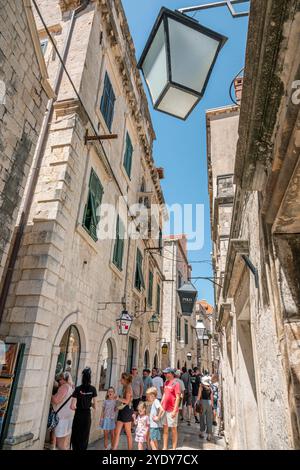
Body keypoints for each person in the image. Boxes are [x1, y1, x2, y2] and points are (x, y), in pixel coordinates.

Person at [70, 367, 97, 450]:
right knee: (84, 437)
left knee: (76, 435)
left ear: (82, 377)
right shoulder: (93, 389)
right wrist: (89, 403)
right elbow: (95, 406)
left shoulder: (77, 389)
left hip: (78, 415)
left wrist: (79, 407)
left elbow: (72, 406)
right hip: (86, 415)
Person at [157, 367, 181, 450]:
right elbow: (164, 394)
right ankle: (164, 447)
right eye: (164, 373)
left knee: (174, 430)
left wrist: (175, 410)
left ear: (171, 374)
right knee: (165, 429)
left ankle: (174, 448)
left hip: (172, 410)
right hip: (165, 409)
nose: (165, 374)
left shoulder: (176, 384)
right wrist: (161, 406)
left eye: (166, 373)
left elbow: (178, 397)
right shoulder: (166, 382)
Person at [51, 371, 74, 450]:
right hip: (68, 417)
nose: (59, 381)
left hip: (62, 418)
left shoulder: (64, 387)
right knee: (64, 442)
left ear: (64, 379)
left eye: (60, 379)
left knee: (60, 444)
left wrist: (50, 394)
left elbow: (56, 400)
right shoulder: (71, 388)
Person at [112, 372, 134, 450]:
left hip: (127, 411)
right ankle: (114, 448)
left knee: (128, 433)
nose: (120, 380)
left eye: (121, 378)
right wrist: (118, 406)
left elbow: (127, 401)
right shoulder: (125, 387)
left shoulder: (128, 387)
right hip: (123, 410)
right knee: (116, 432)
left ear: (125, 379)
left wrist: (118, 398)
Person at [197, 377, 214, 441]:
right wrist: (212, 405)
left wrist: (197, 402)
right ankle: (209, 435)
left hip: (203, 402)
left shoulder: (201, 387)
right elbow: (211, 396)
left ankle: (202, 433)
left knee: (202, 417)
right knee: (209, 418)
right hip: (209, 403)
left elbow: (199, 396)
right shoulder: (210, 387)